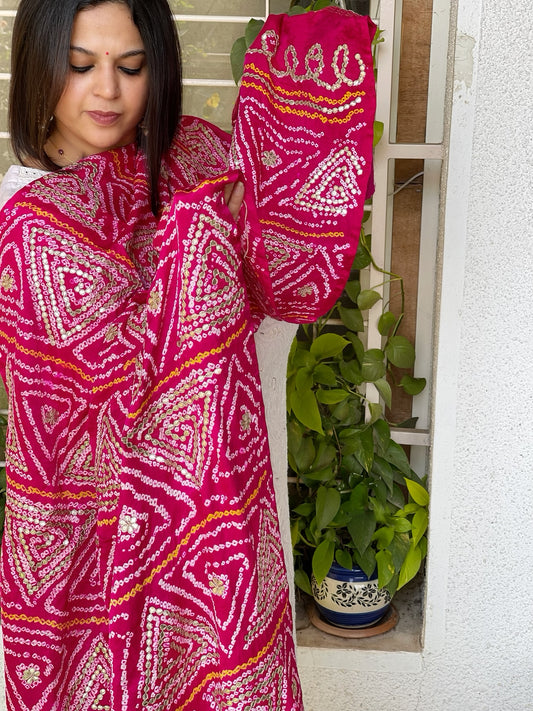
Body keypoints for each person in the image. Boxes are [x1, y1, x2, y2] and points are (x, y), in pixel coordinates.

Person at [0, 0, 376, 708]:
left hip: (229, 541)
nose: (107, 91)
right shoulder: (26, 222)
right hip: (86, 572)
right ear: (37, 67)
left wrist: (301, 146)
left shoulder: (198, 160)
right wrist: (205, 227)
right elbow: (132, 394)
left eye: (131, 65)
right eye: (80, 66)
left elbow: (292, 284)